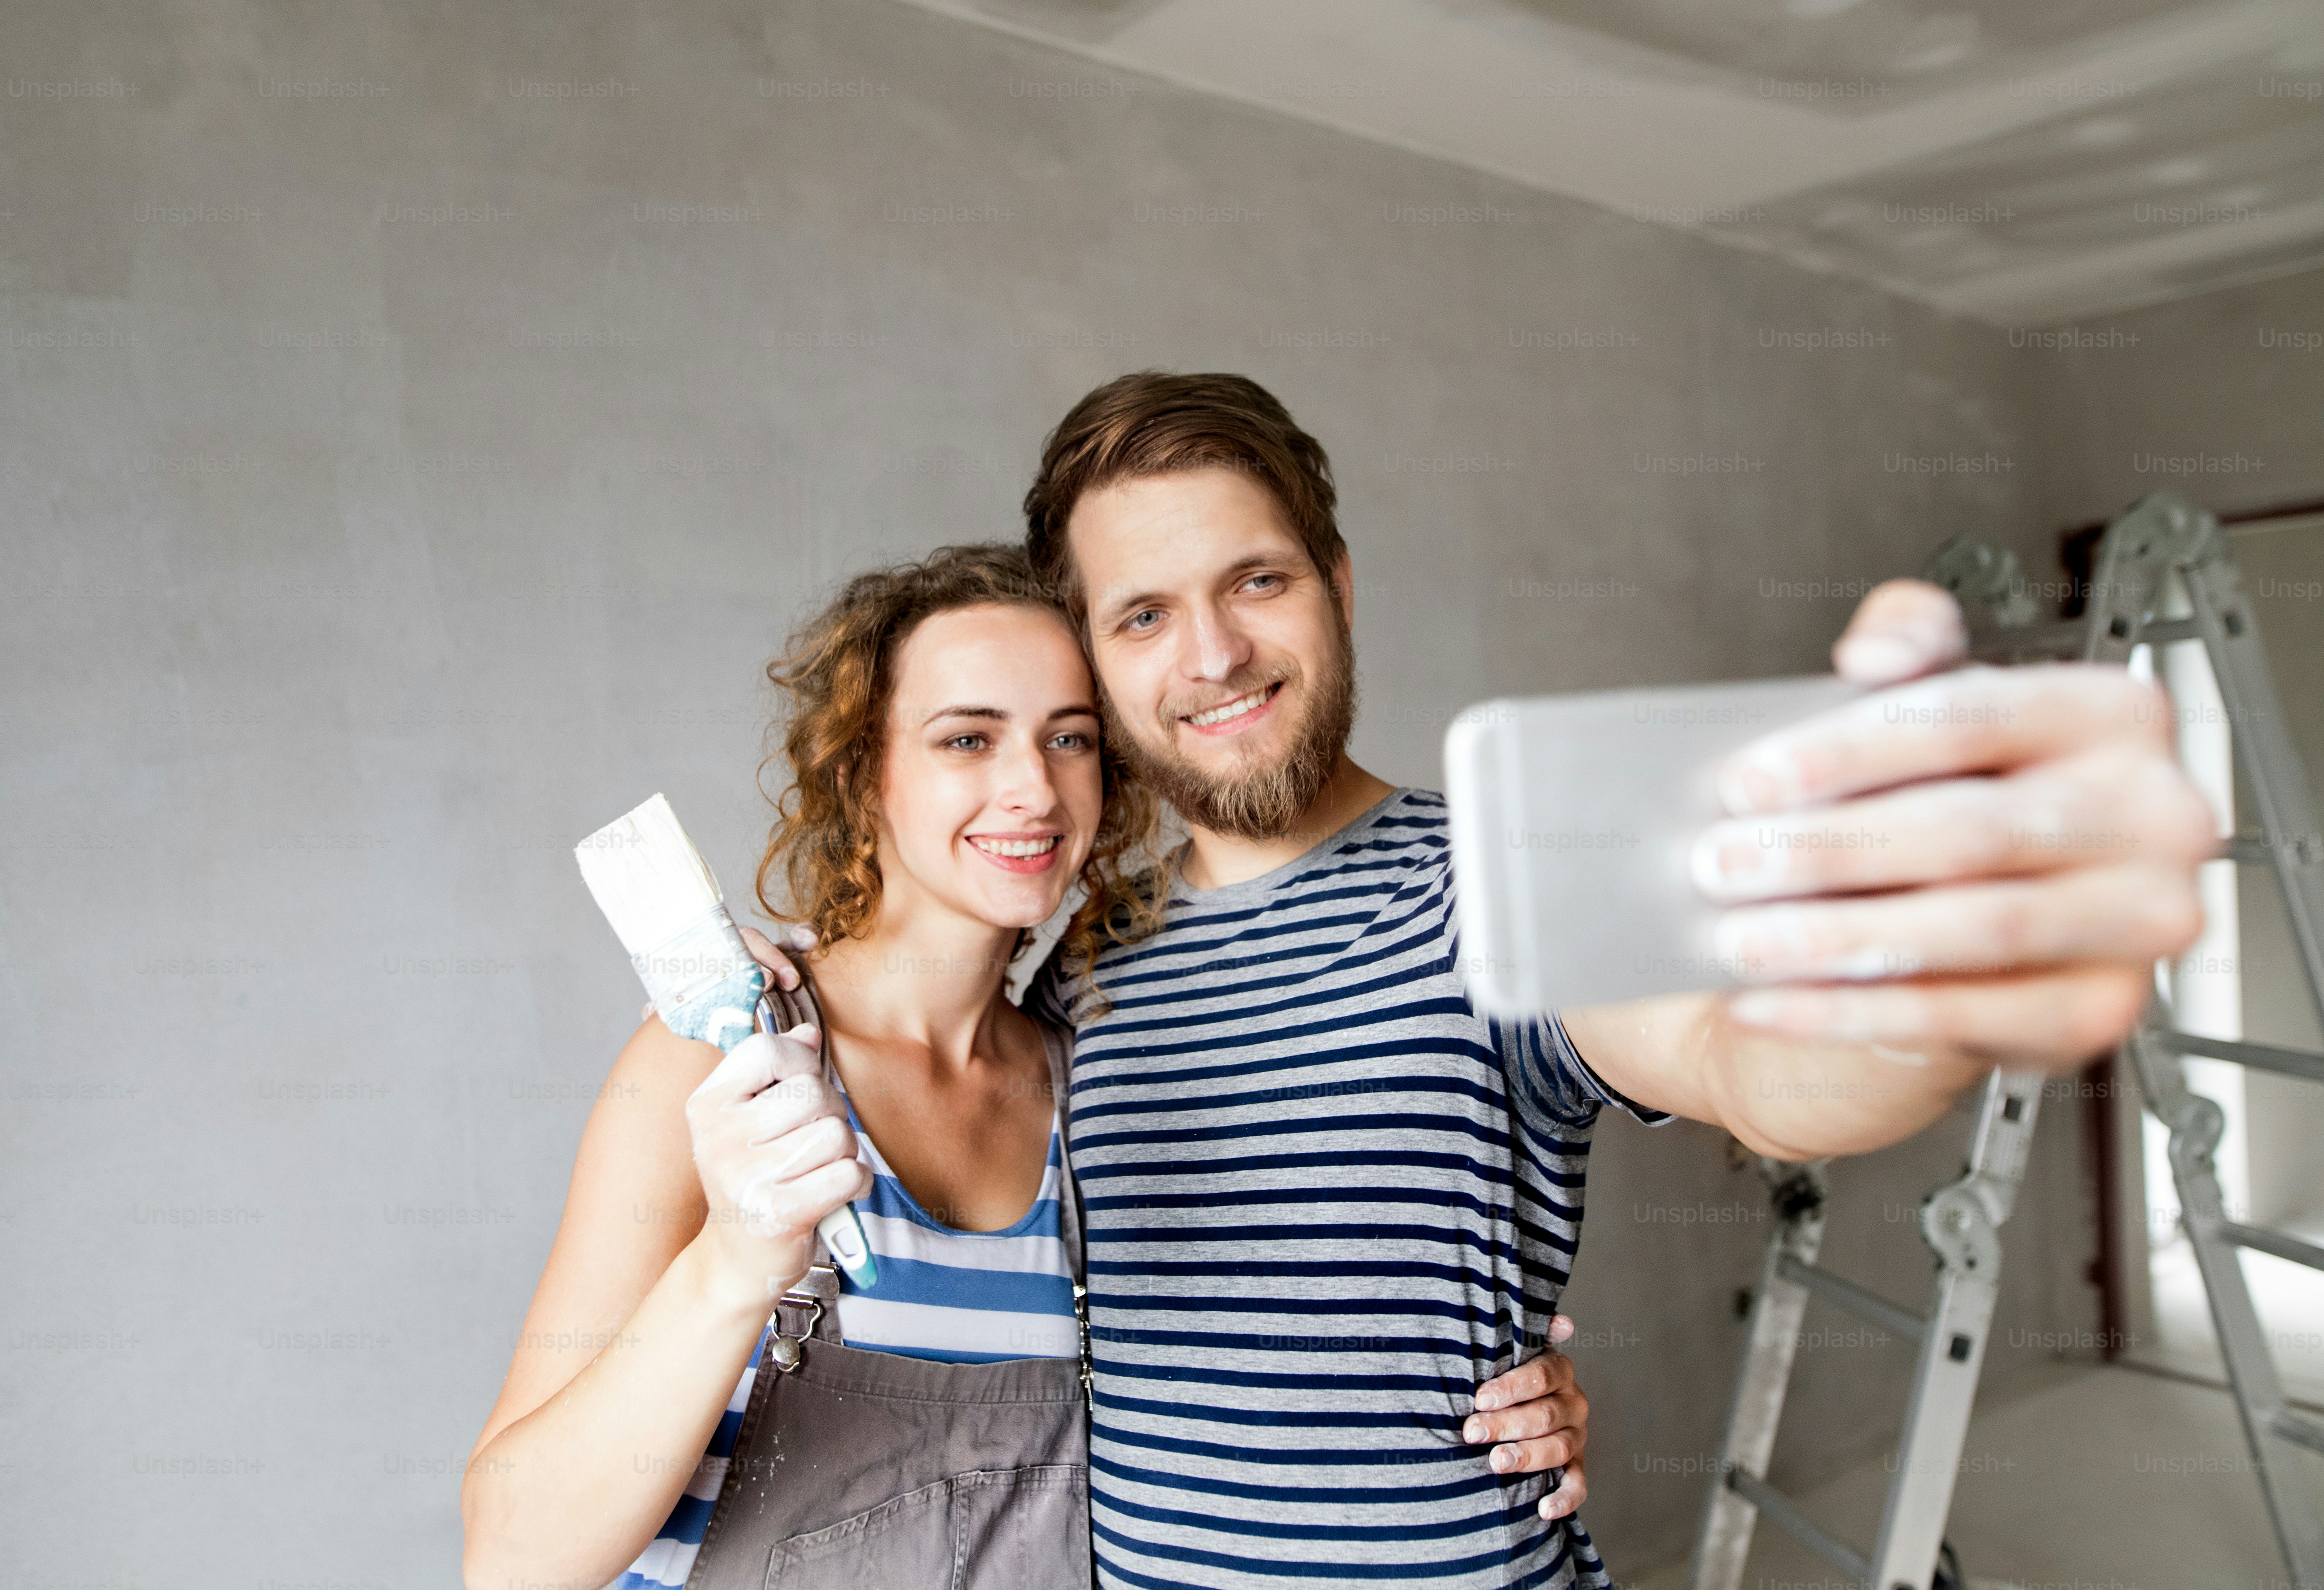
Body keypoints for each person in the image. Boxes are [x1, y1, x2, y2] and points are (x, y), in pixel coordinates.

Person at [993, 372, 2216, 1589]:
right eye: (1143, 616)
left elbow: (1744, 1065)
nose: (1213, 653)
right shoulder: (1086, 961)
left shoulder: (1497, 883)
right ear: (1094, 663)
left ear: (1340, 588)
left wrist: (1920, 982)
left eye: (1257, 580)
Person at [459, 544, 1594, 1590]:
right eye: (967, 737)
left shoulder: (1089, 1073)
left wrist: (1485, 1392)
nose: (1033, 788)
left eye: (1069, 736)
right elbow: (512, 1558)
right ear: (863, 778)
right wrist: (735, 1261)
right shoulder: (718, 1064)